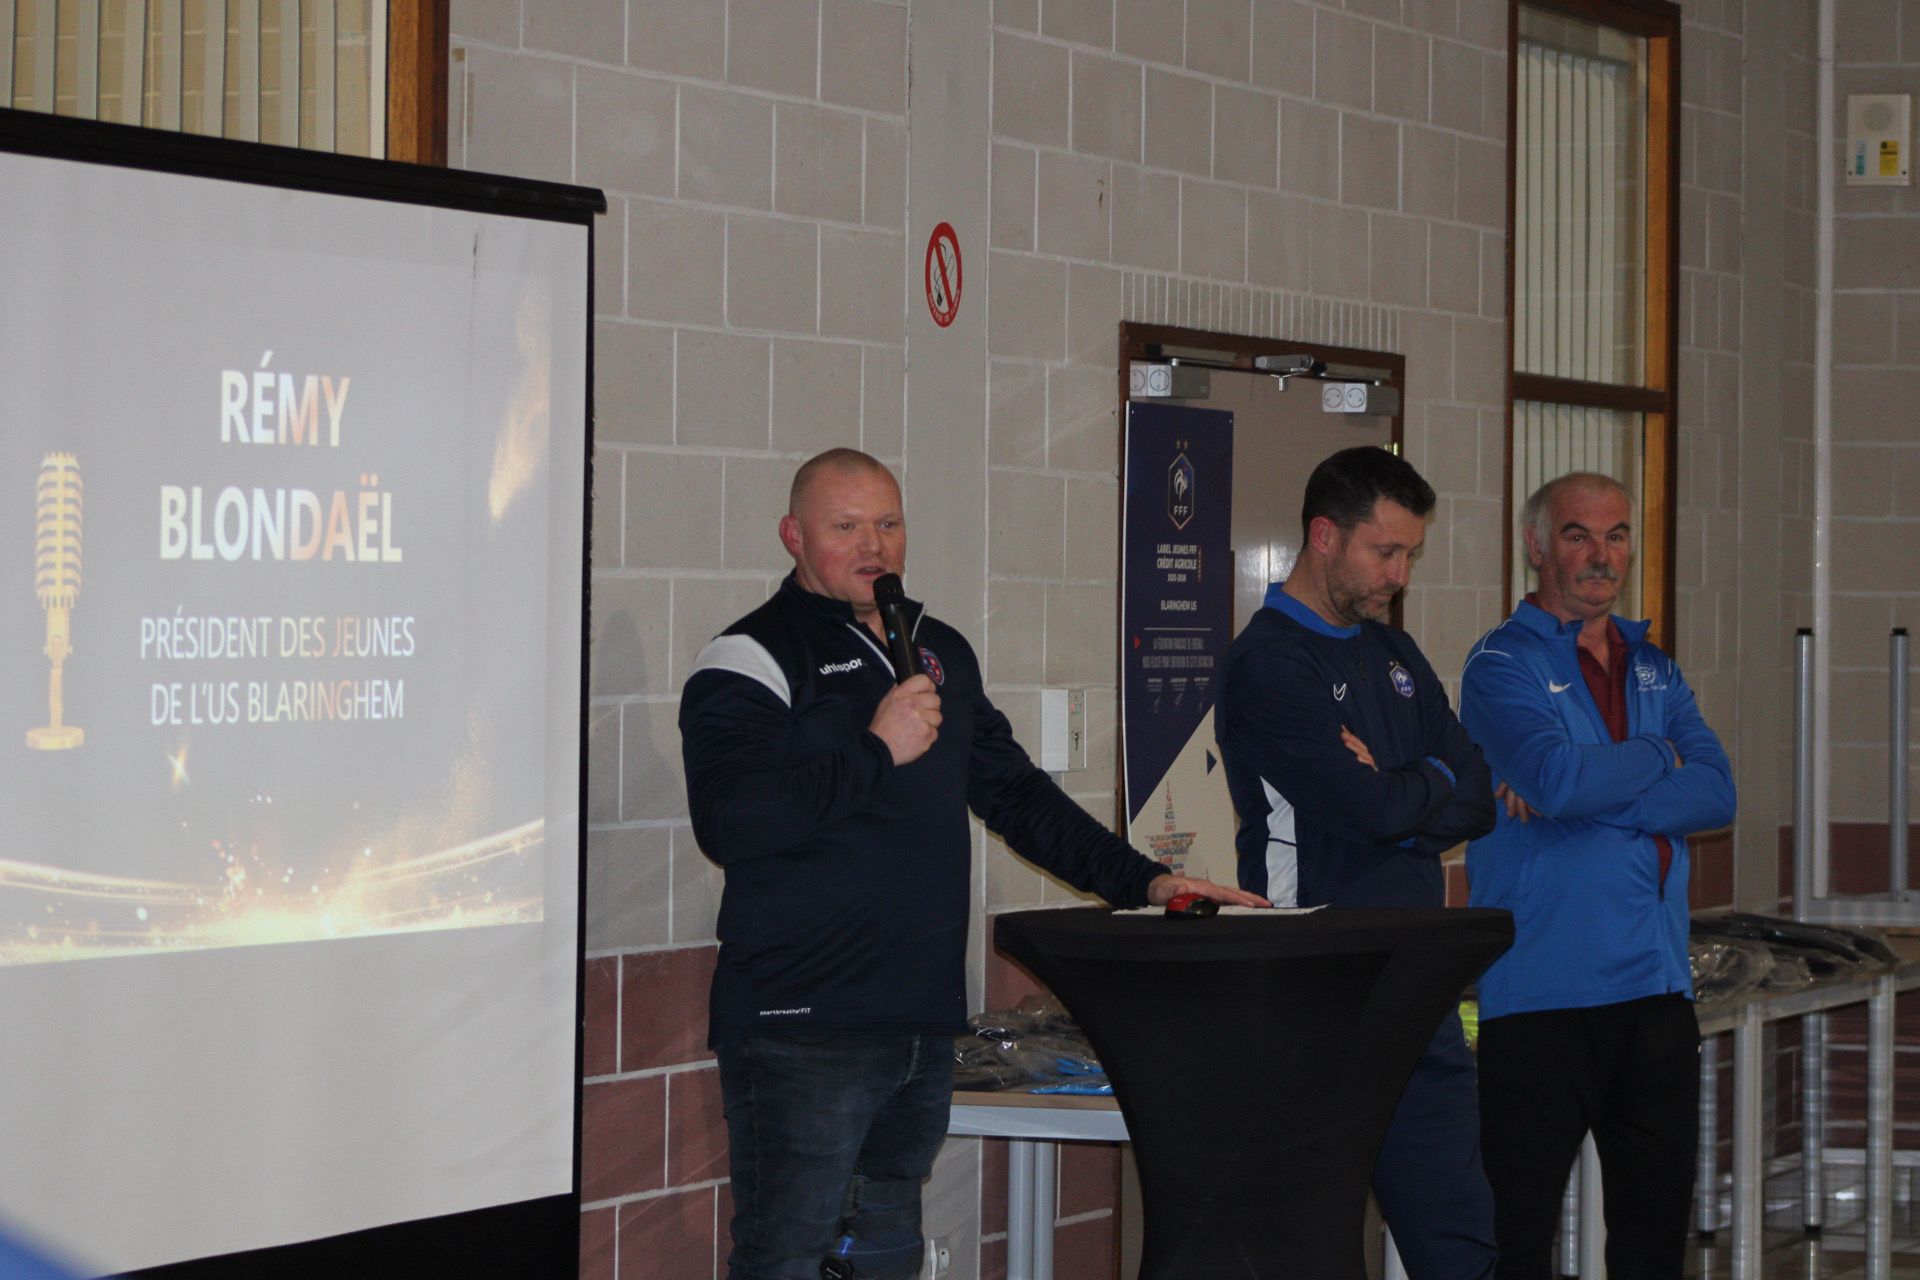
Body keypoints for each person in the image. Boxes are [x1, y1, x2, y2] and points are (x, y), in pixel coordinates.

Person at [679, 447, 1263, 1280]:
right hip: (803, 1025)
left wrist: (1146, 880)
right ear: (794, 536)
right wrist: (876, 749)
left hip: (919, 1019)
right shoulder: (750, 658)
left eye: (888, 524)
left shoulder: (937, 651)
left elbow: (1016, 795)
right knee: (786, 1257)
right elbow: (730, 822)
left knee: (885, 1253)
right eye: (846, 526)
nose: (873, 545)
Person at [1215, 445, 1500, 1280]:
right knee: (1310, 1245)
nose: (1400, 574)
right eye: (1386, 551)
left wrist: (1402, 788)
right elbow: (1371, 810)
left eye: (1410, 553)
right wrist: (1422, 784)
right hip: (1314, 989)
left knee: (1460, 1240)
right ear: (1324, 536)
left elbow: (1478, 798)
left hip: (1417, 983)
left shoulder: (1396, 656)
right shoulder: (1269, 662)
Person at [1459, 472, 1735, 1280]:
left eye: (1616, 536)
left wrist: (1584, 791)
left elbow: (1717, 793)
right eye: (1578, 535)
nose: (1600, 555)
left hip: (1655, 990)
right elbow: (1556, 779)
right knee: (1518, 1242)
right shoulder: (1501, 665)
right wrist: (1659, 757)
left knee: (1653, 1244)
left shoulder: (1655, 669)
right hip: (1542, 996)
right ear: (1537, 545)